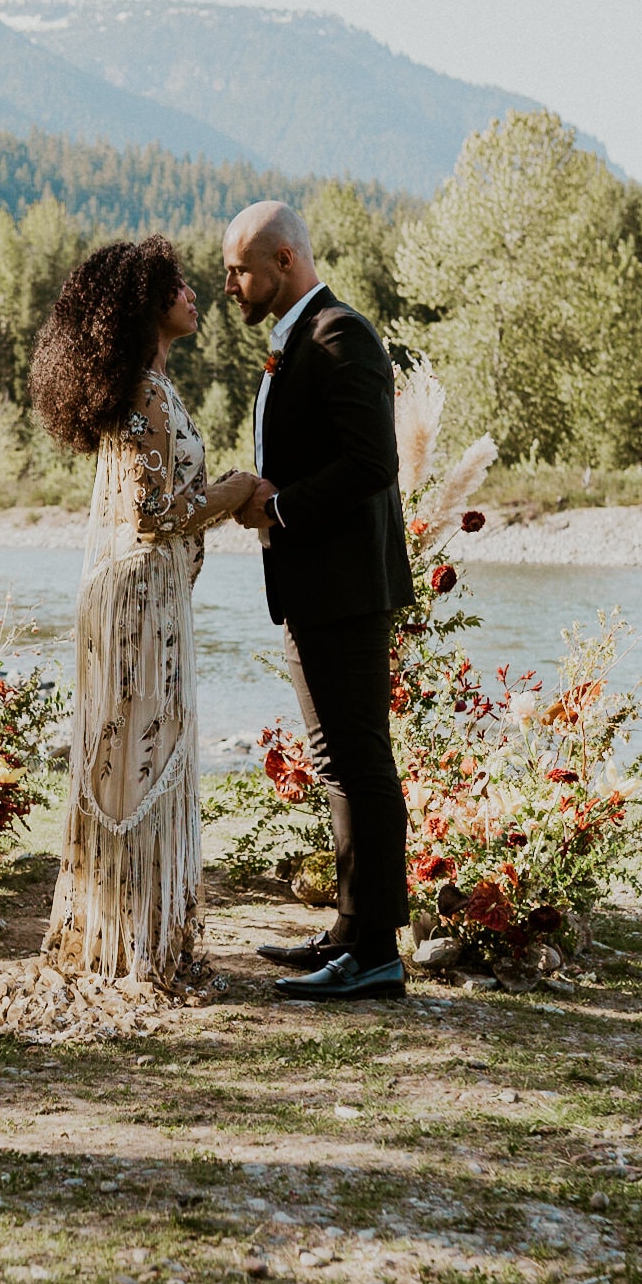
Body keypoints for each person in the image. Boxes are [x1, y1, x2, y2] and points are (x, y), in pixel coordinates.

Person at [30, 236, 257, 983]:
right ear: (149, 305)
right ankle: (136, 939)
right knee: (141, 751)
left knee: (130, 750)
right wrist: (238, 489)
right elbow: (157, 515)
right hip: (140, 599)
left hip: (136, 593)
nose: (196, 296)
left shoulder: (145, 386)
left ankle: (125, 931)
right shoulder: (147, 393)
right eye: (182, 287)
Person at [224, 201, 415, 1001]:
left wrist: (279, 506)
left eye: (241, 269)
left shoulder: (341, 334)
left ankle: (377, 954)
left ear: (287, 260)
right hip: (311, 586)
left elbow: (372, 463)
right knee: (334, 759)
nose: (231, 284)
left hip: (344, 587)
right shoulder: (295, 340)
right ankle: (347, 931)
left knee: (361, 760)